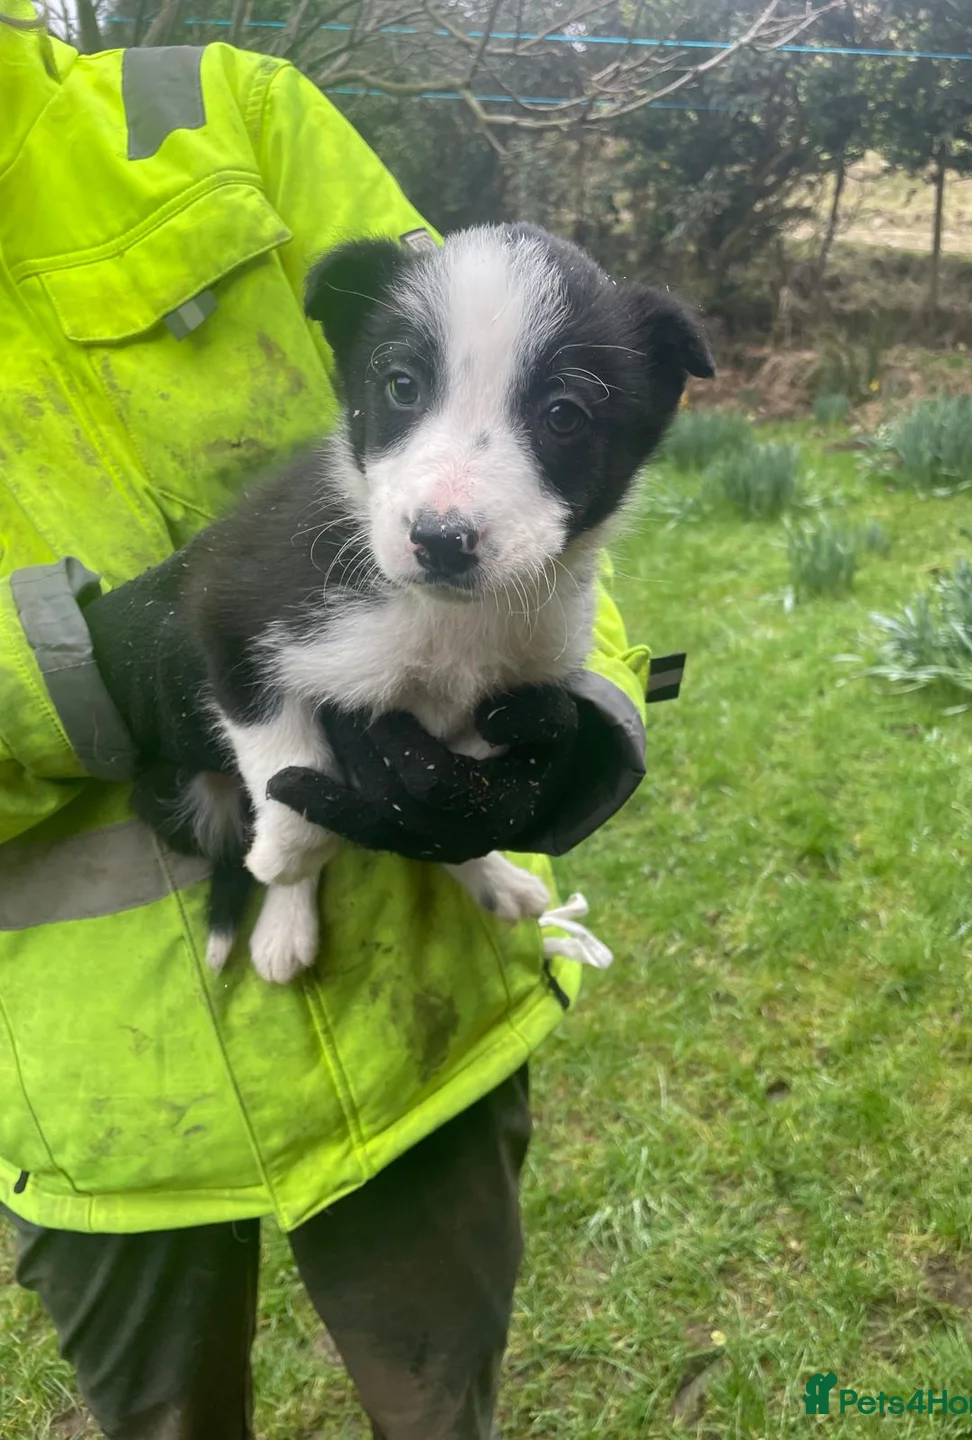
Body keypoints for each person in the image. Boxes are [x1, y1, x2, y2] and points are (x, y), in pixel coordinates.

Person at [0, 8, 652, 1438]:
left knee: (443, 1405)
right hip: (94, 1090)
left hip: (414, 1027)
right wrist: (78, 669)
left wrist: (579, 714)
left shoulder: (215, 109)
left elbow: (508, 400)